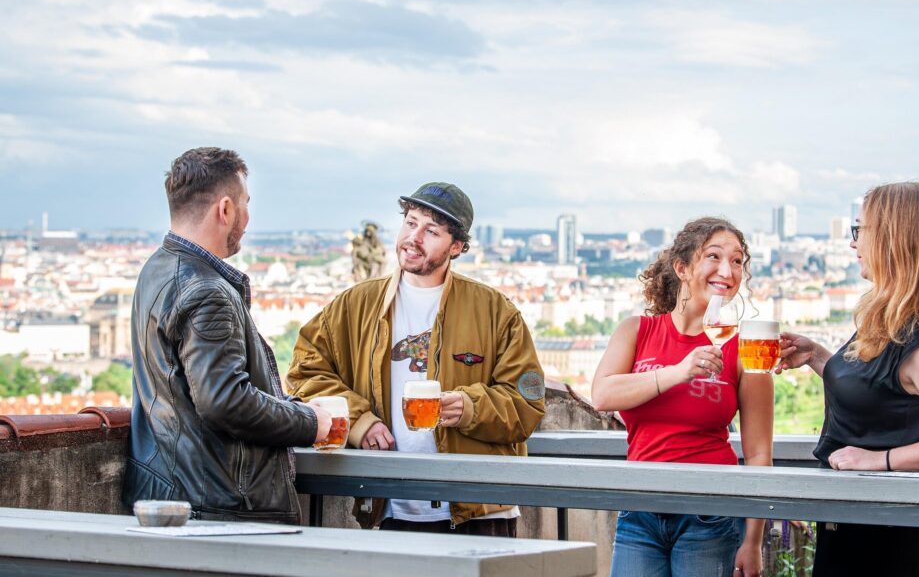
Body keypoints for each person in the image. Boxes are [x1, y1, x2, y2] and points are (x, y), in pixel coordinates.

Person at [287, 182, 546, 537]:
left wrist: (468, 408)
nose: (414, 237)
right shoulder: (356, 304)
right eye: (410, 223)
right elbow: (305, 370)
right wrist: (359, 421)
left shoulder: (495, 311)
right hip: (393, 502)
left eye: (432, 231)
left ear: (456, 247)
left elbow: (529, 403)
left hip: (479, 507)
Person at [777, 182, 919, 576]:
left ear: (890, 238)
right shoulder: (893, 318)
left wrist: (880, 461)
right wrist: (817, 356)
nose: (853, 244)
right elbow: (881, 392)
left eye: (859, 231)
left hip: (889, 532)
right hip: (857, 520)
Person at [122, 147, 331, 523]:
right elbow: (225, 401)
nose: (248, 217)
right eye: (245, 204)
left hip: (173, 492)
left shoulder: (156, 268)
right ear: (225, 210)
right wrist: (309, 422)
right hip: (219, 504)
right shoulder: (207, 290)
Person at [592, 217, 773, 577]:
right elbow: (602, 394)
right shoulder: (637, 331)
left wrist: (752, 541)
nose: (728, 270)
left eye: (737, 261)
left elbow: (758, 454)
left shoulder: (745, 349)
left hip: (710, 512)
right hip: (639, 509)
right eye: (715, 257)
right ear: (682, 267)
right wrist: (679, 371)